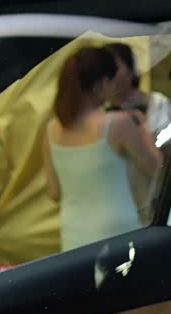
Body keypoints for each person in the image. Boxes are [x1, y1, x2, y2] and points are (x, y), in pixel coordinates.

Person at [42, 47, 162, 251]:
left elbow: (54, 192)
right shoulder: (119, 123)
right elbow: (157, 169)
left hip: (73, 233)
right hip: (120, 232)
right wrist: (142, 127)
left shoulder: (51, 130)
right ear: (102, 84)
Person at [103, 43, 171, 220]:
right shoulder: (98, 112)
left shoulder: (156, 103)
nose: (109, 74)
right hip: (115, 206)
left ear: (131, 70)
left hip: (151, 200)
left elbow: (170, 152)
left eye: (115, 67)